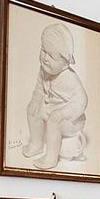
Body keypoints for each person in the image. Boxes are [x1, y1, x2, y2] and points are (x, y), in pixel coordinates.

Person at [23, 23, 88, 170]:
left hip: (72, 120)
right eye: (43, 50)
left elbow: (81, 101)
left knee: (54, 122)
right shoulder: (44, 70)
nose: (45, 58)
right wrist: (36, 100)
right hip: (52, 110)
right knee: (33, 110)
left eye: (51, 56)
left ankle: (50, 158)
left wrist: (63, 113)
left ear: (65, 63)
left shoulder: (69, 79)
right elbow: (39, 89)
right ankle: (36, 144)